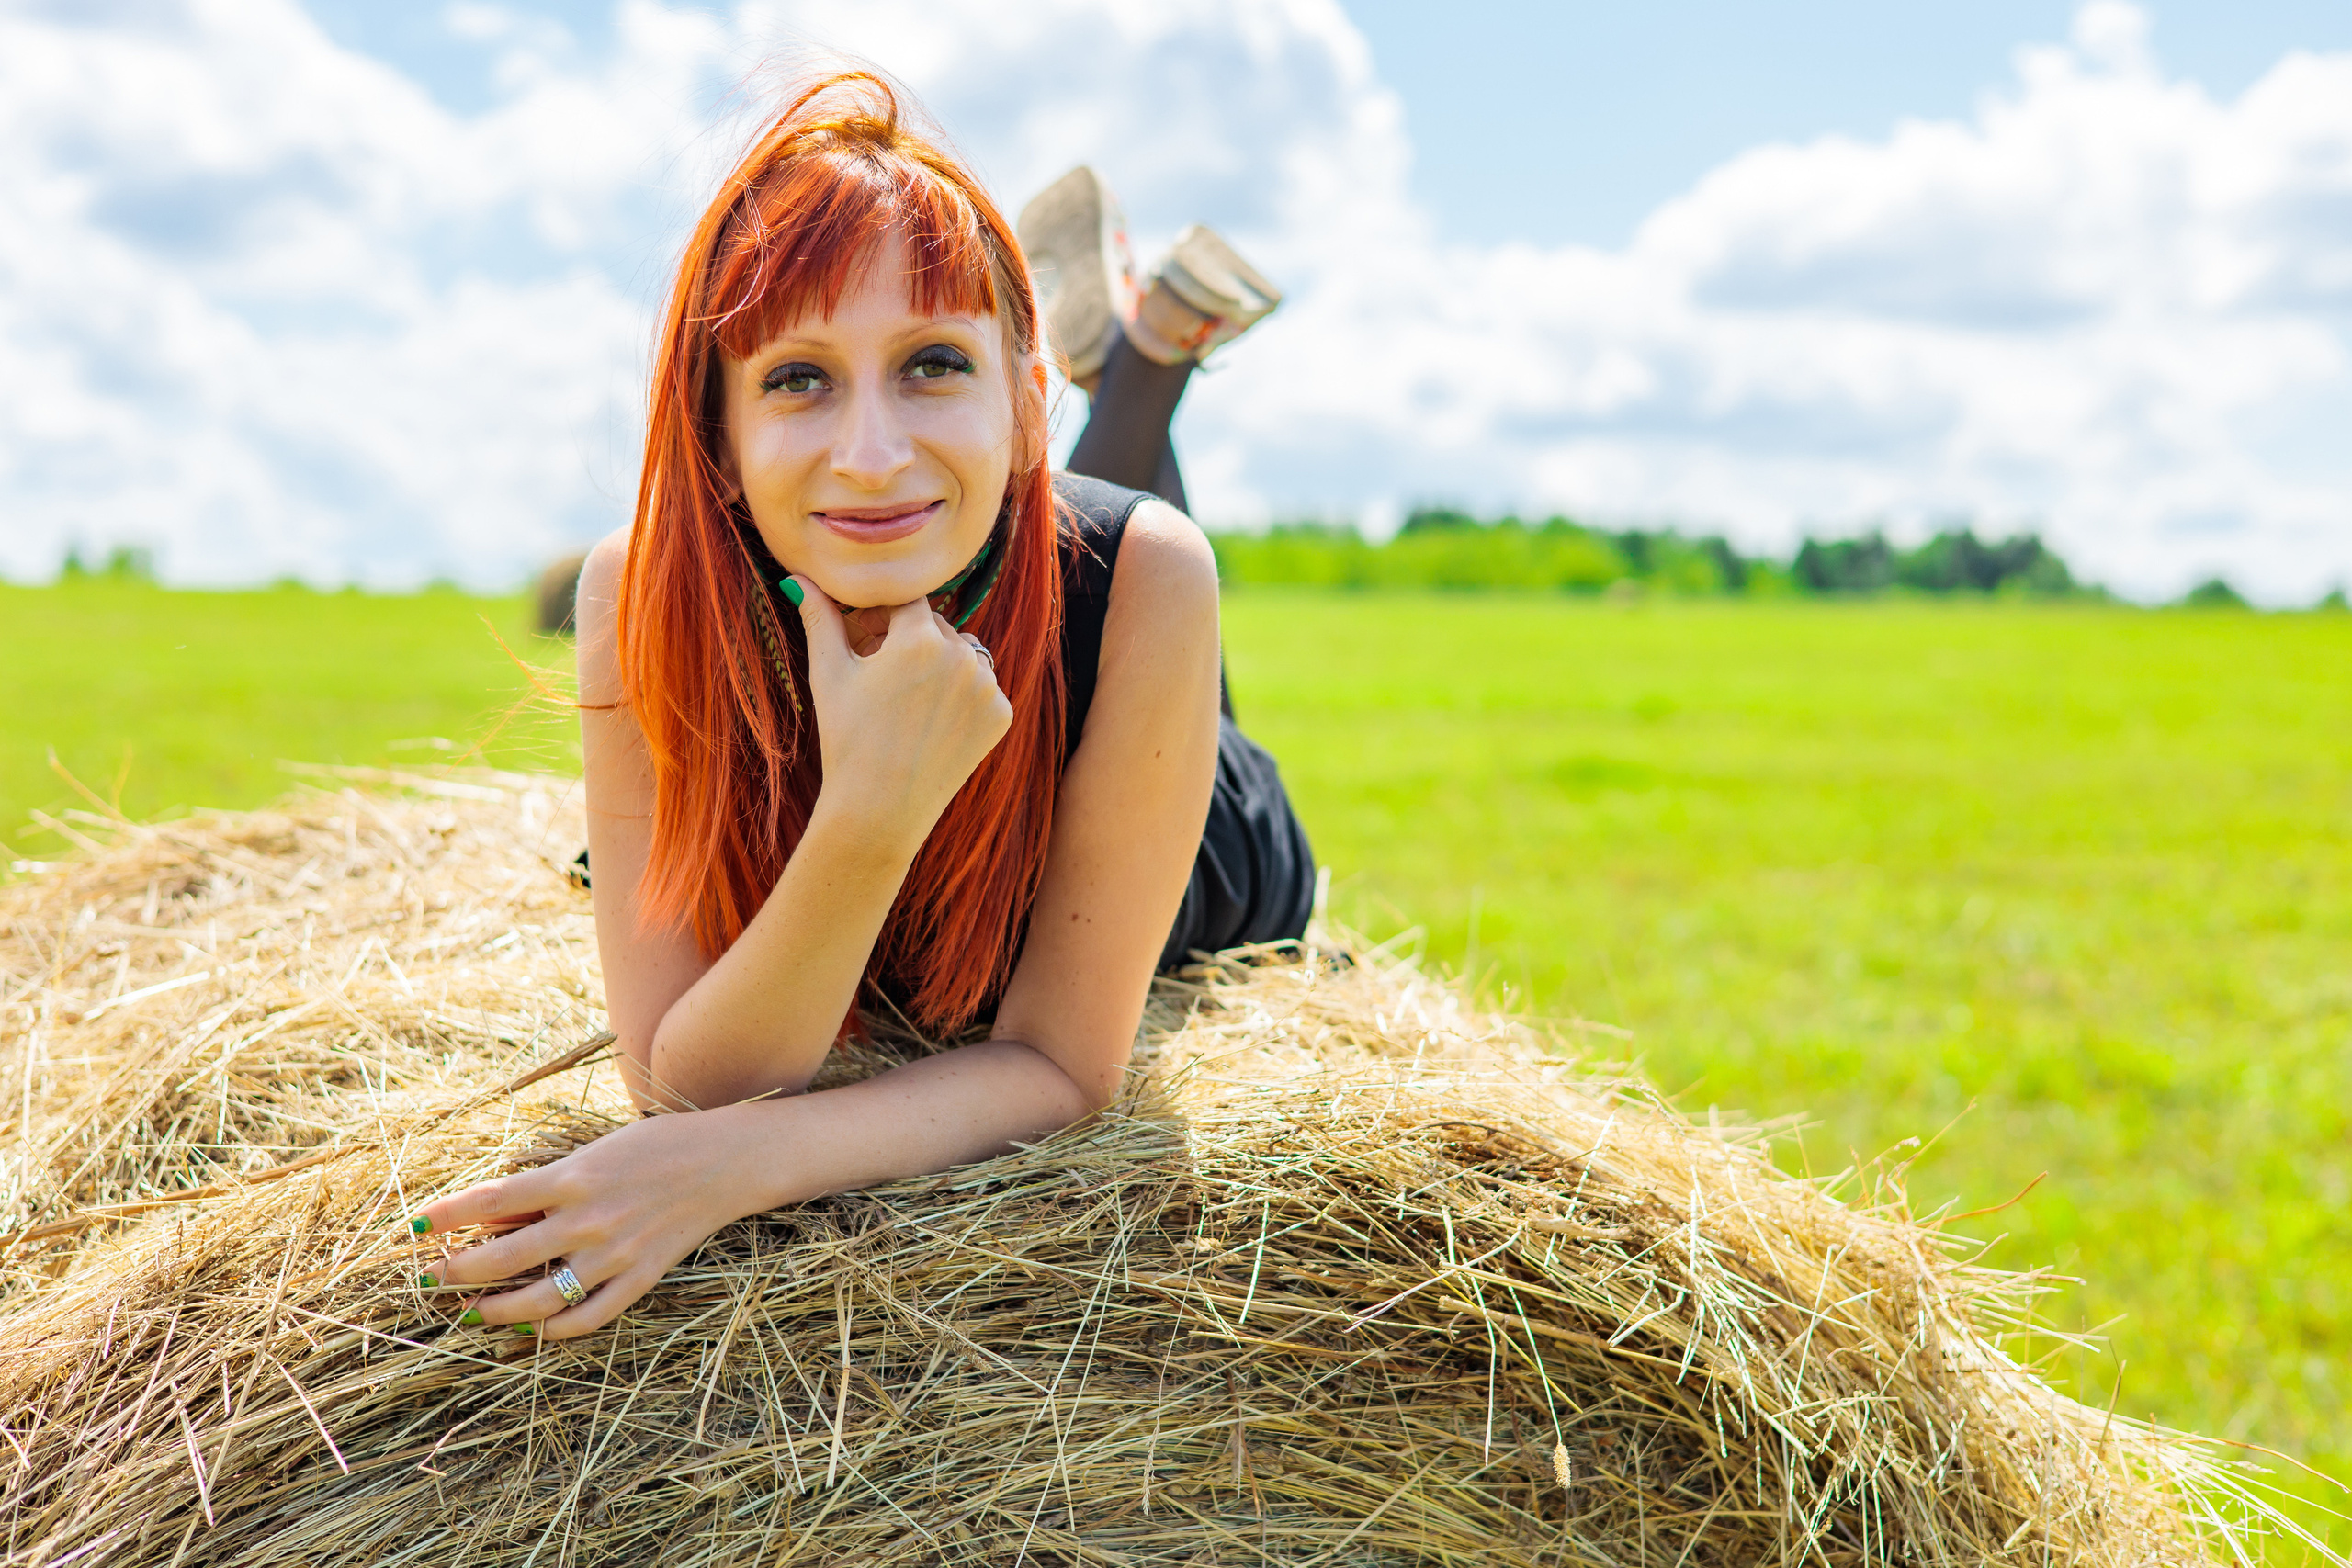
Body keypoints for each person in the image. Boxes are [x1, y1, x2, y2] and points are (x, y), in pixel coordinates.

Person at [407, 73, 1315, 1340]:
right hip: (1005, 562)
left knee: (1112, 566)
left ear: (1016, 390)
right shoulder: (643, 591)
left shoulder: (1154, 579)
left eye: (934, 362)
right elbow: (694, 1075)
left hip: (1183, 818)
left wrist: (732, 1167)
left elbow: (1060, 1064)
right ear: (714, 427)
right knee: (995, 518)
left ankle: (1142, 373)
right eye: (797, 380)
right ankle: (1133, 368)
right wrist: (874, 809)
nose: (873, 450)